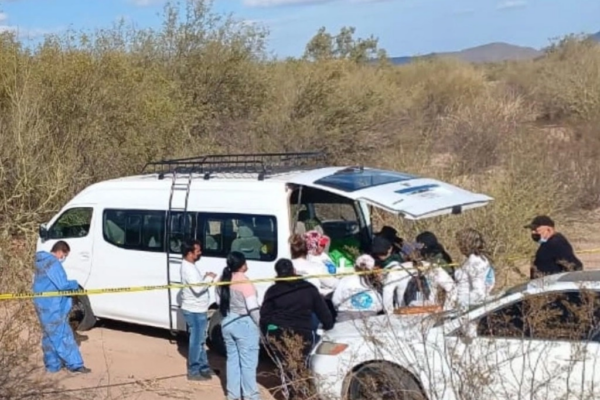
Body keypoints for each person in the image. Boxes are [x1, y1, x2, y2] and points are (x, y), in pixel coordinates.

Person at [260, 258, 334, 400]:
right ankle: (303, 393)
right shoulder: (308, 289)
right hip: (303, 333)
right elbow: (323, 312)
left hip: (279, 334)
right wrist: (328, 326)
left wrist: (267, 333)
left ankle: (292, 394)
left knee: (286, 366)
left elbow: (264, 315)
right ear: (294, 270)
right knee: (303, 364)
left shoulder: (273, 290)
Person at [33, 240, 91, 374]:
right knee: (63, 334)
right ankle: (75, 364)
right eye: (64, 255)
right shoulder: (53, 264)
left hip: (42, 304)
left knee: (49, 335)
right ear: (60, 252)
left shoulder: (40, 262)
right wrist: (75, 284)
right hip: (53, 305)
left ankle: (53, 365)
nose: (63, 259)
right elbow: (63, 285)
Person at [216, 252, 261, 400]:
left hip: (227, 322)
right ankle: (250, 396)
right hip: (245, 324)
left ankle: (233, 395)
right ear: (242, 265)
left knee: (232, 361)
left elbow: (218, 302)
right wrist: (261, 326)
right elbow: (253, 309)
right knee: (248, 364)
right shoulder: (245, 283)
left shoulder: (222, 279)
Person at [180, 238, 217, 381]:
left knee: (201, 340)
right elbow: (197, 288)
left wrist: (204, 278)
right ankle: (194, 370)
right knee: (196, 341)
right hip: (194, 310)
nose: (200, 253)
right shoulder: (187, 268)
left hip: (198, 308)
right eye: (198, 251)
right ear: (190, 253)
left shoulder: (190, 266)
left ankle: (204, 368)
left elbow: (196, 284)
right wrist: (209, 279)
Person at [332, 254, 384, 322]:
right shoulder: (374, 282)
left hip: (345, 317)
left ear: (355, 266)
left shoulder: (345, 280)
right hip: (370, 318)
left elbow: (335, 300)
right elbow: (379, 305)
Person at [454, 228, 495, 309]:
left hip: (468, 308)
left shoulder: (474, 262)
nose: (458, 246)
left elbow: (479, 292)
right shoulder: (482, 258)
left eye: (460, 243)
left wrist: (462, 301)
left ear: (466, 243)